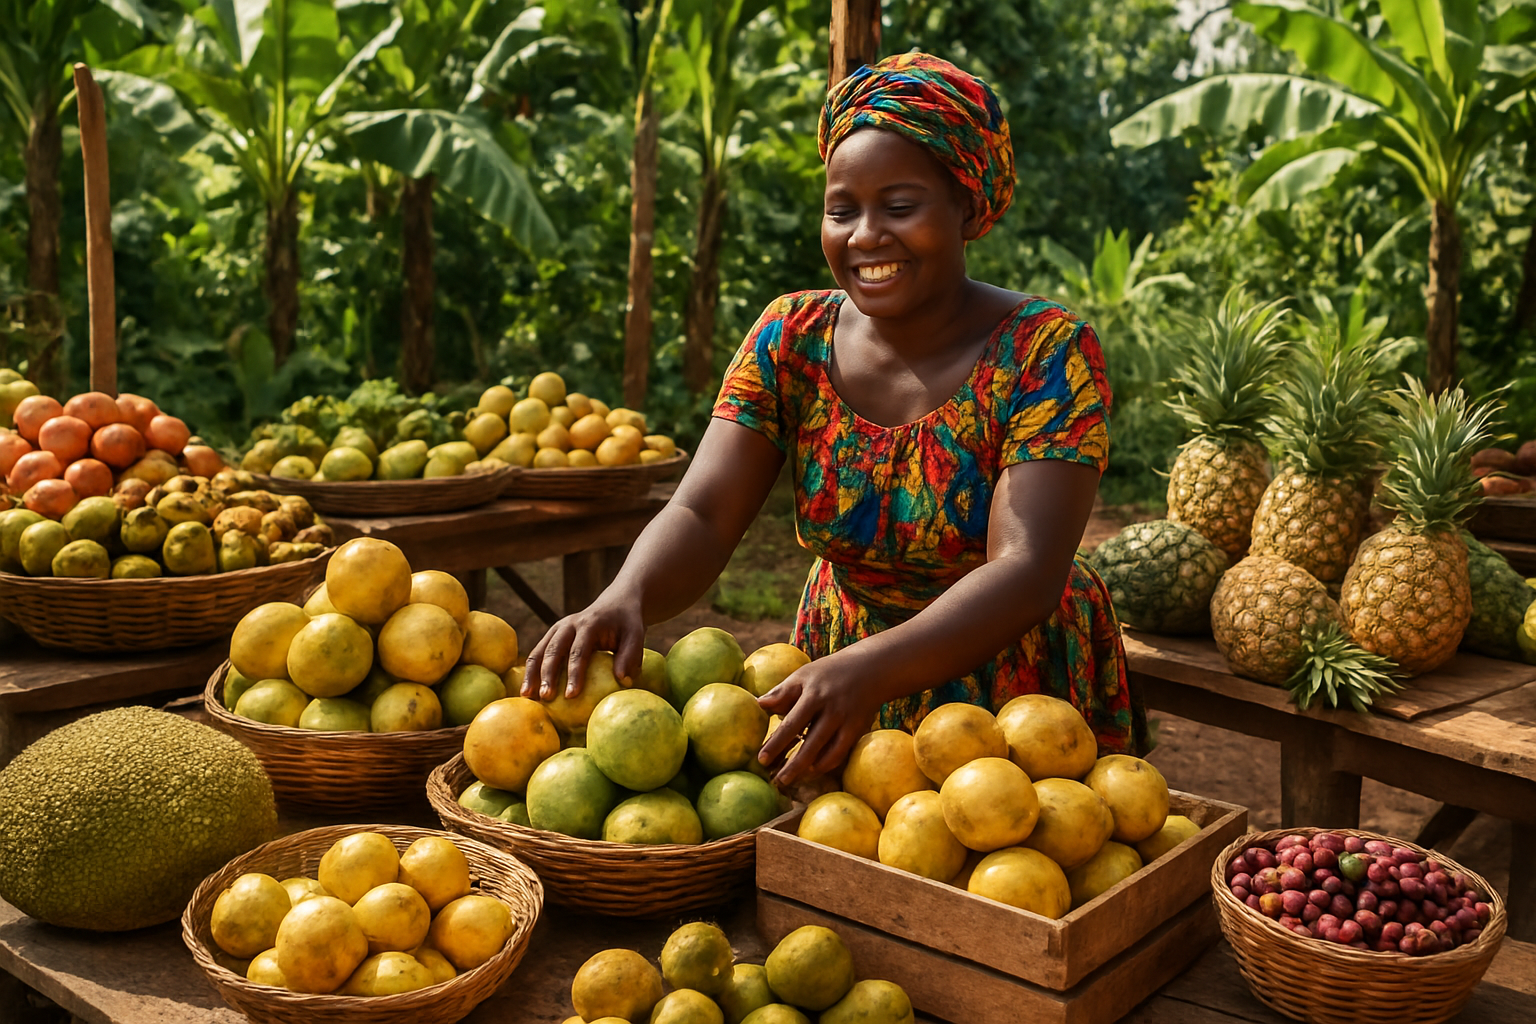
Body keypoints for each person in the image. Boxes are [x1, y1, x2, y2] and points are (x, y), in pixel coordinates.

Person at [523, 52, 1147, 786]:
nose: (865, 236)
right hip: (837, 663)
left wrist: (869, 671)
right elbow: (703, 510)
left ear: (969, 208)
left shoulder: (1044, 351)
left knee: (1008, 881)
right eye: (842, 208)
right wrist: (625, 593)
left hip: (1007, 689)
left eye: (901, 206)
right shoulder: (791, 338)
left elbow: (1026, 571)